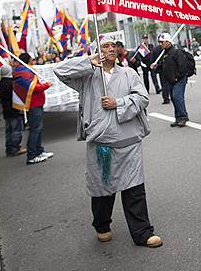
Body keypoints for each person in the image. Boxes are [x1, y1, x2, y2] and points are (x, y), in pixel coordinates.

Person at [55, 34, 162, 248]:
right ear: (97, 51)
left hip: (128, 141)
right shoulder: (87, 76)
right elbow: (60, 71)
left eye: (114, 45)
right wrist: (88, 62)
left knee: (134, 188)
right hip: (101, 143)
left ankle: (142, 232)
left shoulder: (128, 73)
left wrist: (118, 103)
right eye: (105, 46)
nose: (111, 49)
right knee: (103, 189)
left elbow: (142, 98)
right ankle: (102, 224)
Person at [18, 52, 53, 165]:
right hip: (33, 105)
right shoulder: (23, 72)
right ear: (28, 60)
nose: (33, 61)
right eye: (32, 59)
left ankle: (39, 151)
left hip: (37, 103)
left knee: (38, 128)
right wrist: (46, 85)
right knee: (35, 129)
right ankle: (32, 155)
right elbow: (32, 88)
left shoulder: (26, 70)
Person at [154, 32, 192, 127]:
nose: (160, 44)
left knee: (177, 97)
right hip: (170, 80)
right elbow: (164, 67)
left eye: (162, 42)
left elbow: (182, 67)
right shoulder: (164, 54)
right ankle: (178, 117)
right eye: (159, 42)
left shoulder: (176, 52)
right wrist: (156, 66)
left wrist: (176, 77)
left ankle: (183, 117)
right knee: (174, 99)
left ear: (168, 42)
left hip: (179, 79)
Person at [0, 64, 25, 155]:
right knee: (16, 129)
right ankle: (15, 148)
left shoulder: (0, 83)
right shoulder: (11, 83)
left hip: (6, 110)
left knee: (9, 130)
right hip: (14, 109)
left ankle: (9, 148)